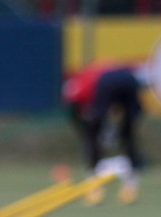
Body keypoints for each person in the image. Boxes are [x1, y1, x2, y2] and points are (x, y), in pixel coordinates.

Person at [62, 60, 146, 204]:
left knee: (93, 136)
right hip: (130, 79)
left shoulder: (78, 85)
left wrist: (87, 132)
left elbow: (75, 110)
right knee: (128, 134)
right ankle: (131, 186)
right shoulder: (96, 71)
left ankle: (95, 187)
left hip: (108, 82)